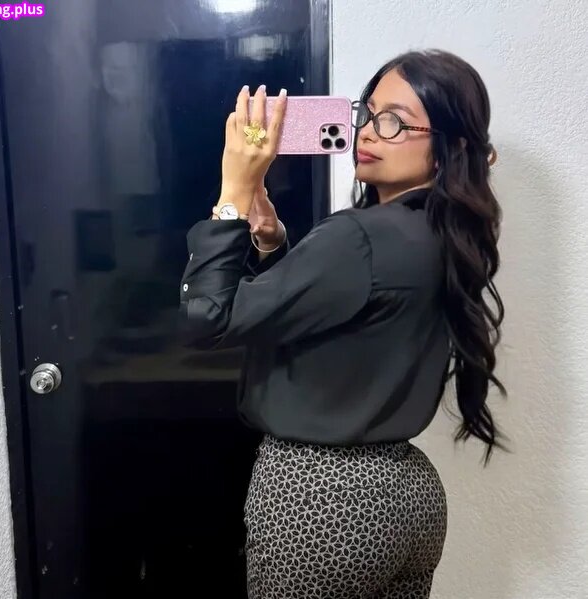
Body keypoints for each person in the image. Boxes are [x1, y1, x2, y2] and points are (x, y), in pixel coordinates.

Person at [179, 49, 505, 599]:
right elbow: (338, 321)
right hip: (408, 494)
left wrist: (232, 195)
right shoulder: (444, 236)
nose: (369, 132)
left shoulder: (358, 238)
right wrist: (272, 244)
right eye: (368, 113)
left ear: (452, 148)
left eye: (395, 121)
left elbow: (207, 320)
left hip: (322, 497)